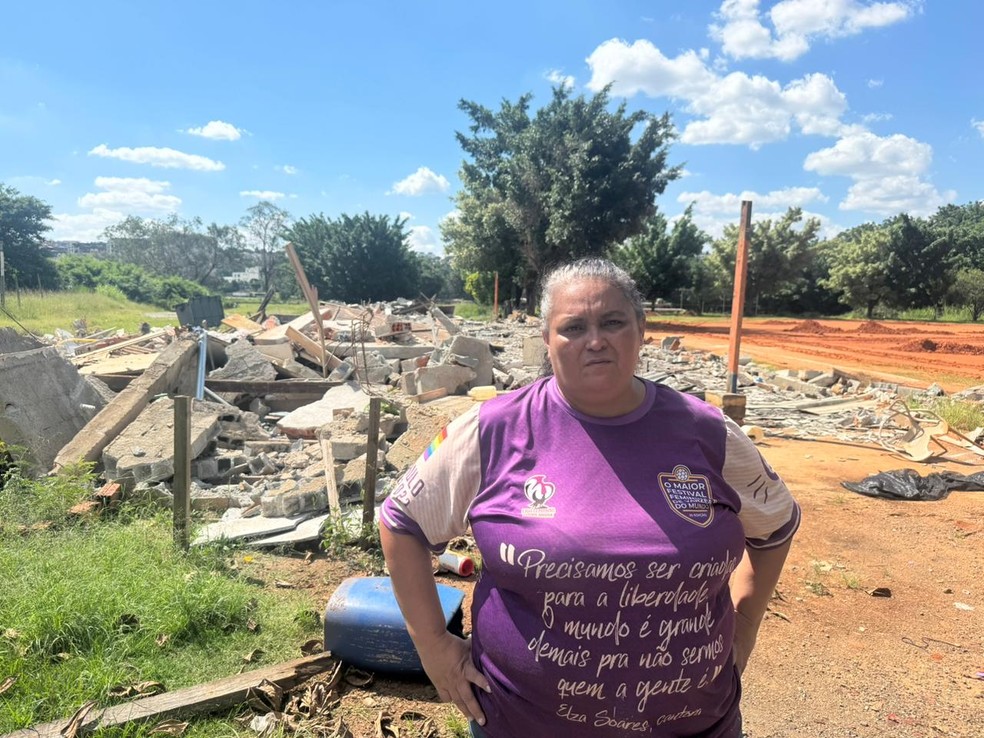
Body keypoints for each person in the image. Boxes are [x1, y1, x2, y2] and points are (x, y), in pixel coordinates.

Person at [379, 257, 800, 738]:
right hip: (521, 726)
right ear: (547, 340)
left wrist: (745, 623)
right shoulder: (489, 430)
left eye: (613, 322)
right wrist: (433, 645)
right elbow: (402, 522)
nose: (595, 340)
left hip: (697, 726)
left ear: (641, 330)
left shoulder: (708, 432)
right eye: (573, 327)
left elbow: (775, 525)